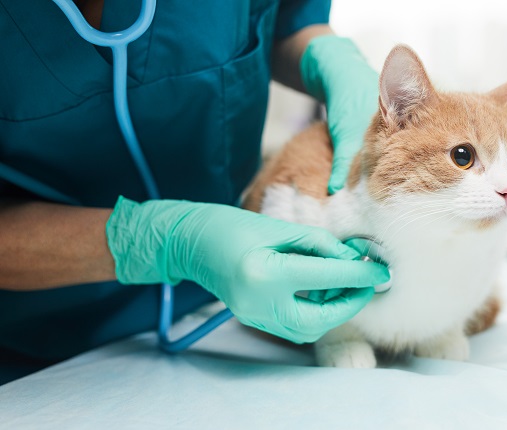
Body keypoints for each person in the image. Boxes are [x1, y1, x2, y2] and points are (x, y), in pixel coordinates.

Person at [0, 0, 389, 384]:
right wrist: (163, 242)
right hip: (36, 351)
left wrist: (328, 57)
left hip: (225, 317)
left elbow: (285, 18)